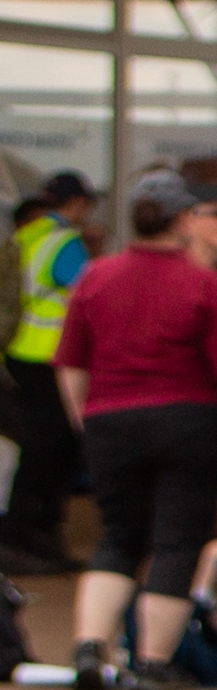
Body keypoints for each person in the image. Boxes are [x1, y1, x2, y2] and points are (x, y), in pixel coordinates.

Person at [50, 174, 217, 689]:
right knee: (175, 541)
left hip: (109, 420)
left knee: (117, 536)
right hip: (190, 419)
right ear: (184, 221)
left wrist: (87, 417)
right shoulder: (203, 285)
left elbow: (71, 362)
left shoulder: (96, 278)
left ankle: (88, 650)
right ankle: (152, 662)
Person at [3, 167, 90, 576]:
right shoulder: (65, 242)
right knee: (50, 451)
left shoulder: (27, 235)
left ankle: (22, 534)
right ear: (77, 204)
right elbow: (87, 295)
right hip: (50, 356)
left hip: (21, 352)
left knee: (35, 448)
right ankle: (32, 534)